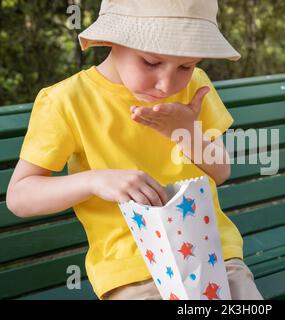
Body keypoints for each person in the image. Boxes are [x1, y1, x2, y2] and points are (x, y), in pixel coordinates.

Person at [6, 0, 263, 300]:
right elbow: (19, 197)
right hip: (132, 273)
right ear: (114, 39)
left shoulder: (195, 87)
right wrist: (94, 180)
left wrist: (184, 131)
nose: (166, 84)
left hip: (213, 254)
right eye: (151, 62)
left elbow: (220, 171)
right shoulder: (67, 101)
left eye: (185, 65)